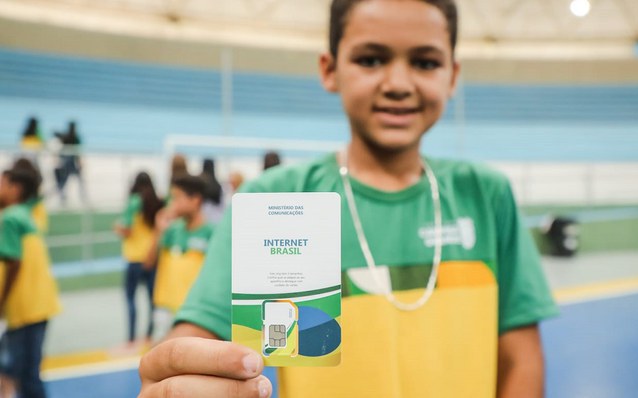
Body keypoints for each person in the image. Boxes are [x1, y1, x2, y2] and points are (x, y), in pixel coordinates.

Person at [138, 1, 558, 397]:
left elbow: (520, 358)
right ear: (329, 69)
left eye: (425, 62)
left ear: (452, 76)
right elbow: (199, 338)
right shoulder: (276, 200)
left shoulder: (486, 194)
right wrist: (180, 373)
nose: (397, 84)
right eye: (371, 59)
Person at [0, 167, 62, 398]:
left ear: (15, 189)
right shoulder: (28, 213)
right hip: (41, 304)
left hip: (24, 308)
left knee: (25, 377)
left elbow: (14, 262)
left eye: (2, 183)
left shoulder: (11, 218)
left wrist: (2, 299)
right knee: (27, 372)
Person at [147, 175, 214, 336]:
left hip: (194, 313)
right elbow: (148, 263)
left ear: (195, 200)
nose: (172, 204)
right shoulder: (171, 230)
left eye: (177, 198)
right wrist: (158, 230)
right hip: (164, 310)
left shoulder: (211, 233)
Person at [113, 172, 164, 349]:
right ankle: (149, 335)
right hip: (151, 256)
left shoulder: (134, 201)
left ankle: (131, 338)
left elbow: (126, 229)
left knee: (130, 299)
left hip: (134, 258)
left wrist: (117, 228)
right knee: (152, 300)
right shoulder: (157, 202)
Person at [53, 121, 85, 206]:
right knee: (68, 180)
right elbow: (77, 152)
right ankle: (80, 195)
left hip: (67, 163)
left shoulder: (66, 137)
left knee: (64, 181)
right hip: (70, 163)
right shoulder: (73, 137)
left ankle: (64, 197)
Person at [200, 158, 224, 224]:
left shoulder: (200, 184)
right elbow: (222, 205)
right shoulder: (218, 186)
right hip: (216, 219)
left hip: (203, 219)